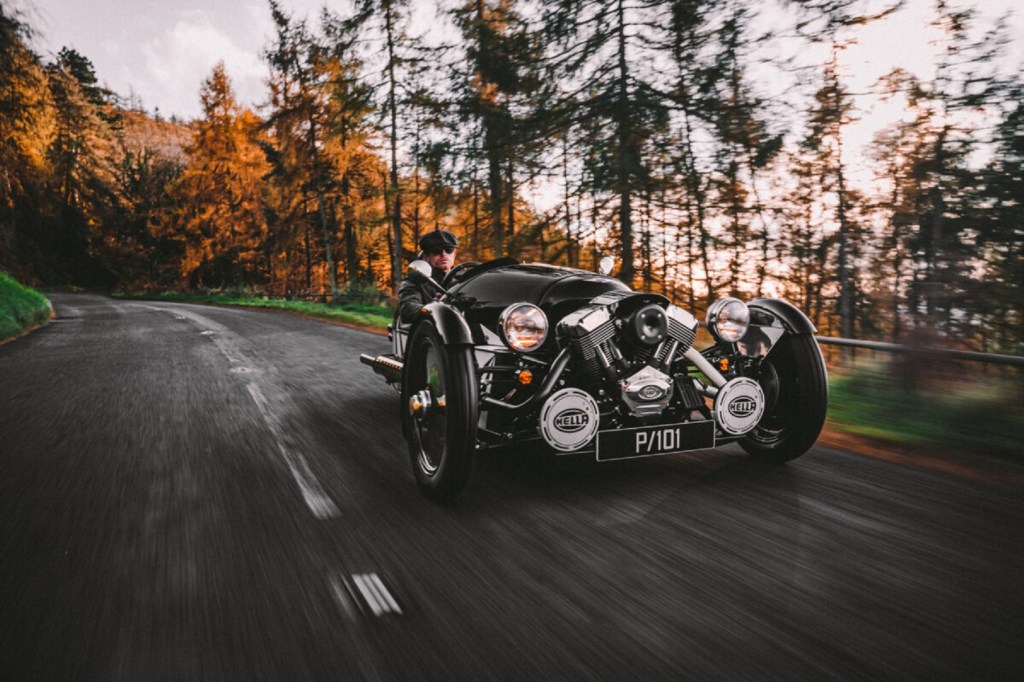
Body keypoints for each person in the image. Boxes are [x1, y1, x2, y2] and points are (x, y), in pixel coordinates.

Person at [397, 229, 458, 323]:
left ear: (454, 253)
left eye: (449, 250)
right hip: (433, 333)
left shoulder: (466, 278)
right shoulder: (416, 280)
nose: (443, 254)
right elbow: (408, 310)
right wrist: (433, 309)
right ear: (426, 256)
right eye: (436, 251)